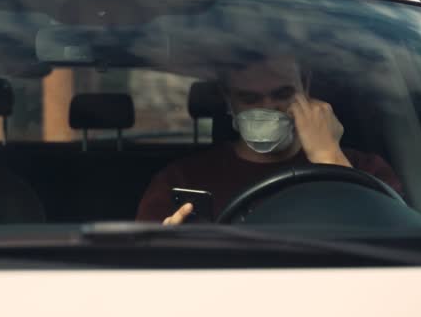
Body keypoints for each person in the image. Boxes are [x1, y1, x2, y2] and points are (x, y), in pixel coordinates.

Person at [136, 56, 402, 224]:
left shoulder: (365, 170)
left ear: (305, 88)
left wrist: (329, 158)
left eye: (283, 94)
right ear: (228, 99)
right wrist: (166, 249)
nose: (269, 107)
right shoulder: (181, 180)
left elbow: (401, 249)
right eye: (250, 99)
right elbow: (141, 275)